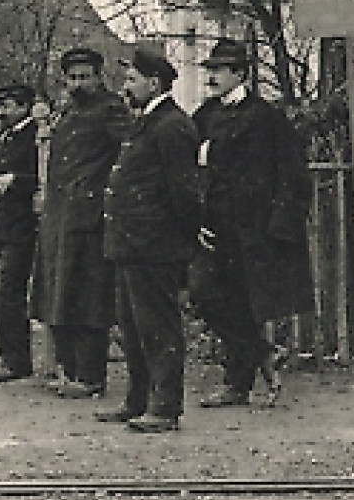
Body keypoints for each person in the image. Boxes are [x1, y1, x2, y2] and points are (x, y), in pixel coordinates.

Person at [189, 37, 315, 409]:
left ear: (240, 74)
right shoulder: (204, 116)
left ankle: (237, 384)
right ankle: (263, 352)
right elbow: (192, 170)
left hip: (253, 228)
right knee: (206, 295)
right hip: (215, 228)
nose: (212, 77)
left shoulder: (265, 117)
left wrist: (279, 224)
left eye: (220, 70)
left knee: (244, 302)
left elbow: (292, 173)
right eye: (210, 70)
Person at [94, 45, 201, 433]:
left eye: (132, 79)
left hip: (154, 246)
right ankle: (137, 399)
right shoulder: (147, 122)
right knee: (133, 326)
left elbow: (184, 192)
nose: (127, 86)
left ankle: (165, 406)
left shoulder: (172, 126)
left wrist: (178, 239)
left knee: (158, 326)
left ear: (154, 83)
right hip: (130, 244)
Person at [34, 47, 134, 400]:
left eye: (84, 77)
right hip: (60, 216)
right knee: (60, 294)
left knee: (88, 298)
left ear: (98, 76)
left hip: (90, 218)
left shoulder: (111, 110)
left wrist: (102, 193)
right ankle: (69, 370)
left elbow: (129, 154)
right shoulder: (65, 112)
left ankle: (91, 376)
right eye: (72, 77)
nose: (78, 83)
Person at [0, 83, 45, 382]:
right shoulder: (6, 136)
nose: (1, 112)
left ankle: (16, 360)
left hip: (20, 227)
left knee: (7, 292)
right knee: (0, 292)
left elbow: (42, 177)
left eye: (7, 106)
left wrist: (14, 180)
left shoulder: (35, 137)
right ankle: (10, 355)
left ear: (23, 106)